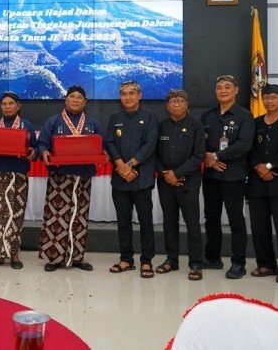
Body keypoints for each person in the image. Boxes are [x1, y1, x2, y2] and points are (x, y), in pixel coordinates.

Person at [38, 85, 104, 272]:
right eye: (72, 96)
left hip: (83, 177)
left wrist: (103, 152)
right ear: (66, 100)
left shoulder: (92, 123)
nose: (75, 100)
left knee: (80, 217)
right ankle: (53, 258)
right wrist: (43, 152)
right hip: (59, 177)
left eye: (79, 97)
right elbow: (42, 143)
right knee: (55, 217)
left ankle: (77, 257)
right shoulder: (53, 121)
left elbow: (101, 145)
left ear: (84, 102)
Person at [201, 74, 255, 279]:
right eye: (219, 87)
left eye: (227, 87)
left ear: (236, 90)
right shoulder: (208, 116)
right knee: (211, 218)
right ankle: (213, 257)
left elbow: (243, 145)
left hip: (233, 176)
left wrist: (216, 155)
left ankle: (238, 262)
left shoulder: (244, 116)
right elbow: (199, 143)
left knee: (236, 221)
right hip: (212, 176)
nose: (222, 90)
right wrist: (208, 158)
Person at [104, 80, 158, 278]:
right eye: (124, 93)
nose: (127, 97)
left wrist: (131, 165)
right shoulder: (115, 118)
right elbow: (109, 142)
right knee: (123, 221)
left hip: (141, 178)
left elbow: (150, 145)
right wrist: (121, 165)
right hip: (120, 178)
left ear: (139, 95)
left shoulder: (150, 118)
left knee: (146, 221)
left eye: (131, 93)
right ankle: (126, 259)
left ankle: (147, 260)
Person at [246, 84, 278, 284]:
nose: (269, 101)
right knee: (259, 227)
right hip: (257, 182)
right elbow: (249, 149)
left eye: (274, 97)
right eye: (266, 97)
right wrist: (259, 167)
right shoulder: (256, 122)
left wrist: (271, 167)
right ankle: (266, 264)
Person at [155, 89, 205, 281]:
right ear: (167, 106)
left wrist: (177, 173)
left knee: (192, 223)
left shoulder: (196, 125)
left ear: (187, 104)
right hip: (165, 182)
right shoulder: (161, 126)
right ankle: (171, 260)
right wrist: (166, 174)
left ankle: (196, 263)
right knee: (169, 222)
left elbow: (198, 155)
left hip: (188, 182)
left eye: (180, 101)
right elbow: (155, 154)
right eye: (172, 101)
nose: (176, 104)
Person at [0, 92, 37, 270]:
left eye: (11, 103)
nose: (7, 106)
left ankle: (14, 254)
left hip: (19, 175)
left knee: (16, 214)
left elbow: (35, 150)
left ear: (18, 106)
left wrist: (31, 152)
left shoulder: (27, 125)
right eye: (4, 104)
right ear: (1, 107)